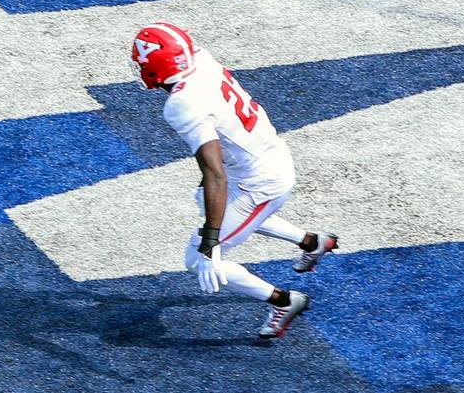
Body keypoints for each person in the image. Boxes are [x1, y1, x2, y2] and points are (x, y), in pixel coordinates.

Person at [129, 22, 339, 339]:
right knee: (207, 202)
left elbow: (215, 174)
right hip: (262, 153)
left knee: (198, 259)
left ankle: (284, 301)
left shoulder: (181, 105)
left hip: (261, 181)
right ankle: (313, 242)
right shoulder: (201, 59)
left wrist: (210, 244)